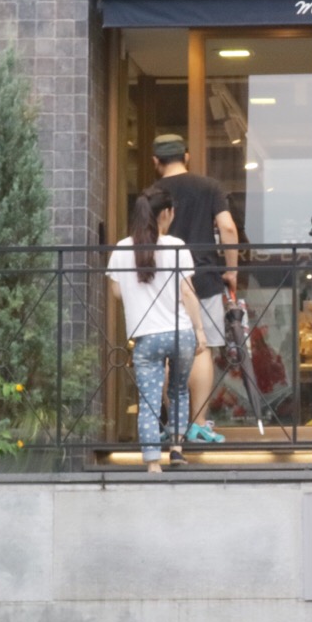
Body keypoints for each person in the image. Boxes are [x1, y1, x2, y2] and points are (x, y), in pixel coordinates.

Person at [144, 134, 240, 445]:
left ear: (155, 161)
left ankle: (176, 425)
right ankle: (198, 423)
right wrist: (231, 270)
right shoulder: (209, 186)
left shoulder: (151, 194)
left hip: (162, 282)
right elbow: (227, 227)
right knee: (202, 348)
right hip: (204, 278)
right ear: (186, 156)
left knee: (166, 351)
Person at [106, 191, 205, 474]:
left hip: (146, 336)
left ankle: (152, 463)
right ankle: (176, 449)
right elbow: (187, 292)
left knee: (149, 400)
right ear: (166, 213)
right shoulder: (176, 246)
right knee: (179, 391)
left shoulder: (122, 249)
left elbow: (116, 292)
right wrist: (199, 330)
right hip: (180, 332)